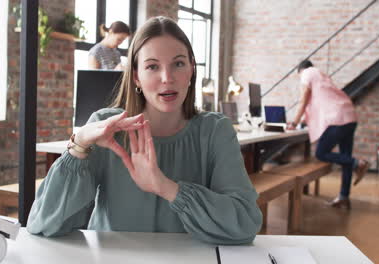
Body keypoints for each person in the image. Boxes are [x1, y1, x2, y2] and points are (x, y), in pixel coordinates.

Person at [27, 16, 262, 245]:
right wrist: (79, 144)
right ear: (136, 76)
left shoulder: (215, 131)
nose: (167, 78)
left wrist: (166, 187)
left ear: (191, 69)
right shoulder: (105, 129)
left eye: (178, 64)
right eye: (152, 66)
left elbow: (245, 223)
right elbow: (43, 225)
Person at [288, 60, 370, 209]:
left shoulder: (307, 73)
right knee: (346, 158)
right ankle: (344, 197)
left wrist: (294, 123)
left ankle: (358, 163)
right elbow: (320, 102)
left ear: (300, 70)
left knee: (321, 153)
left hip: (337, 118)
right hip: (349, 115)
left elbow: (303, 99)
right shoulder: (322, 75)